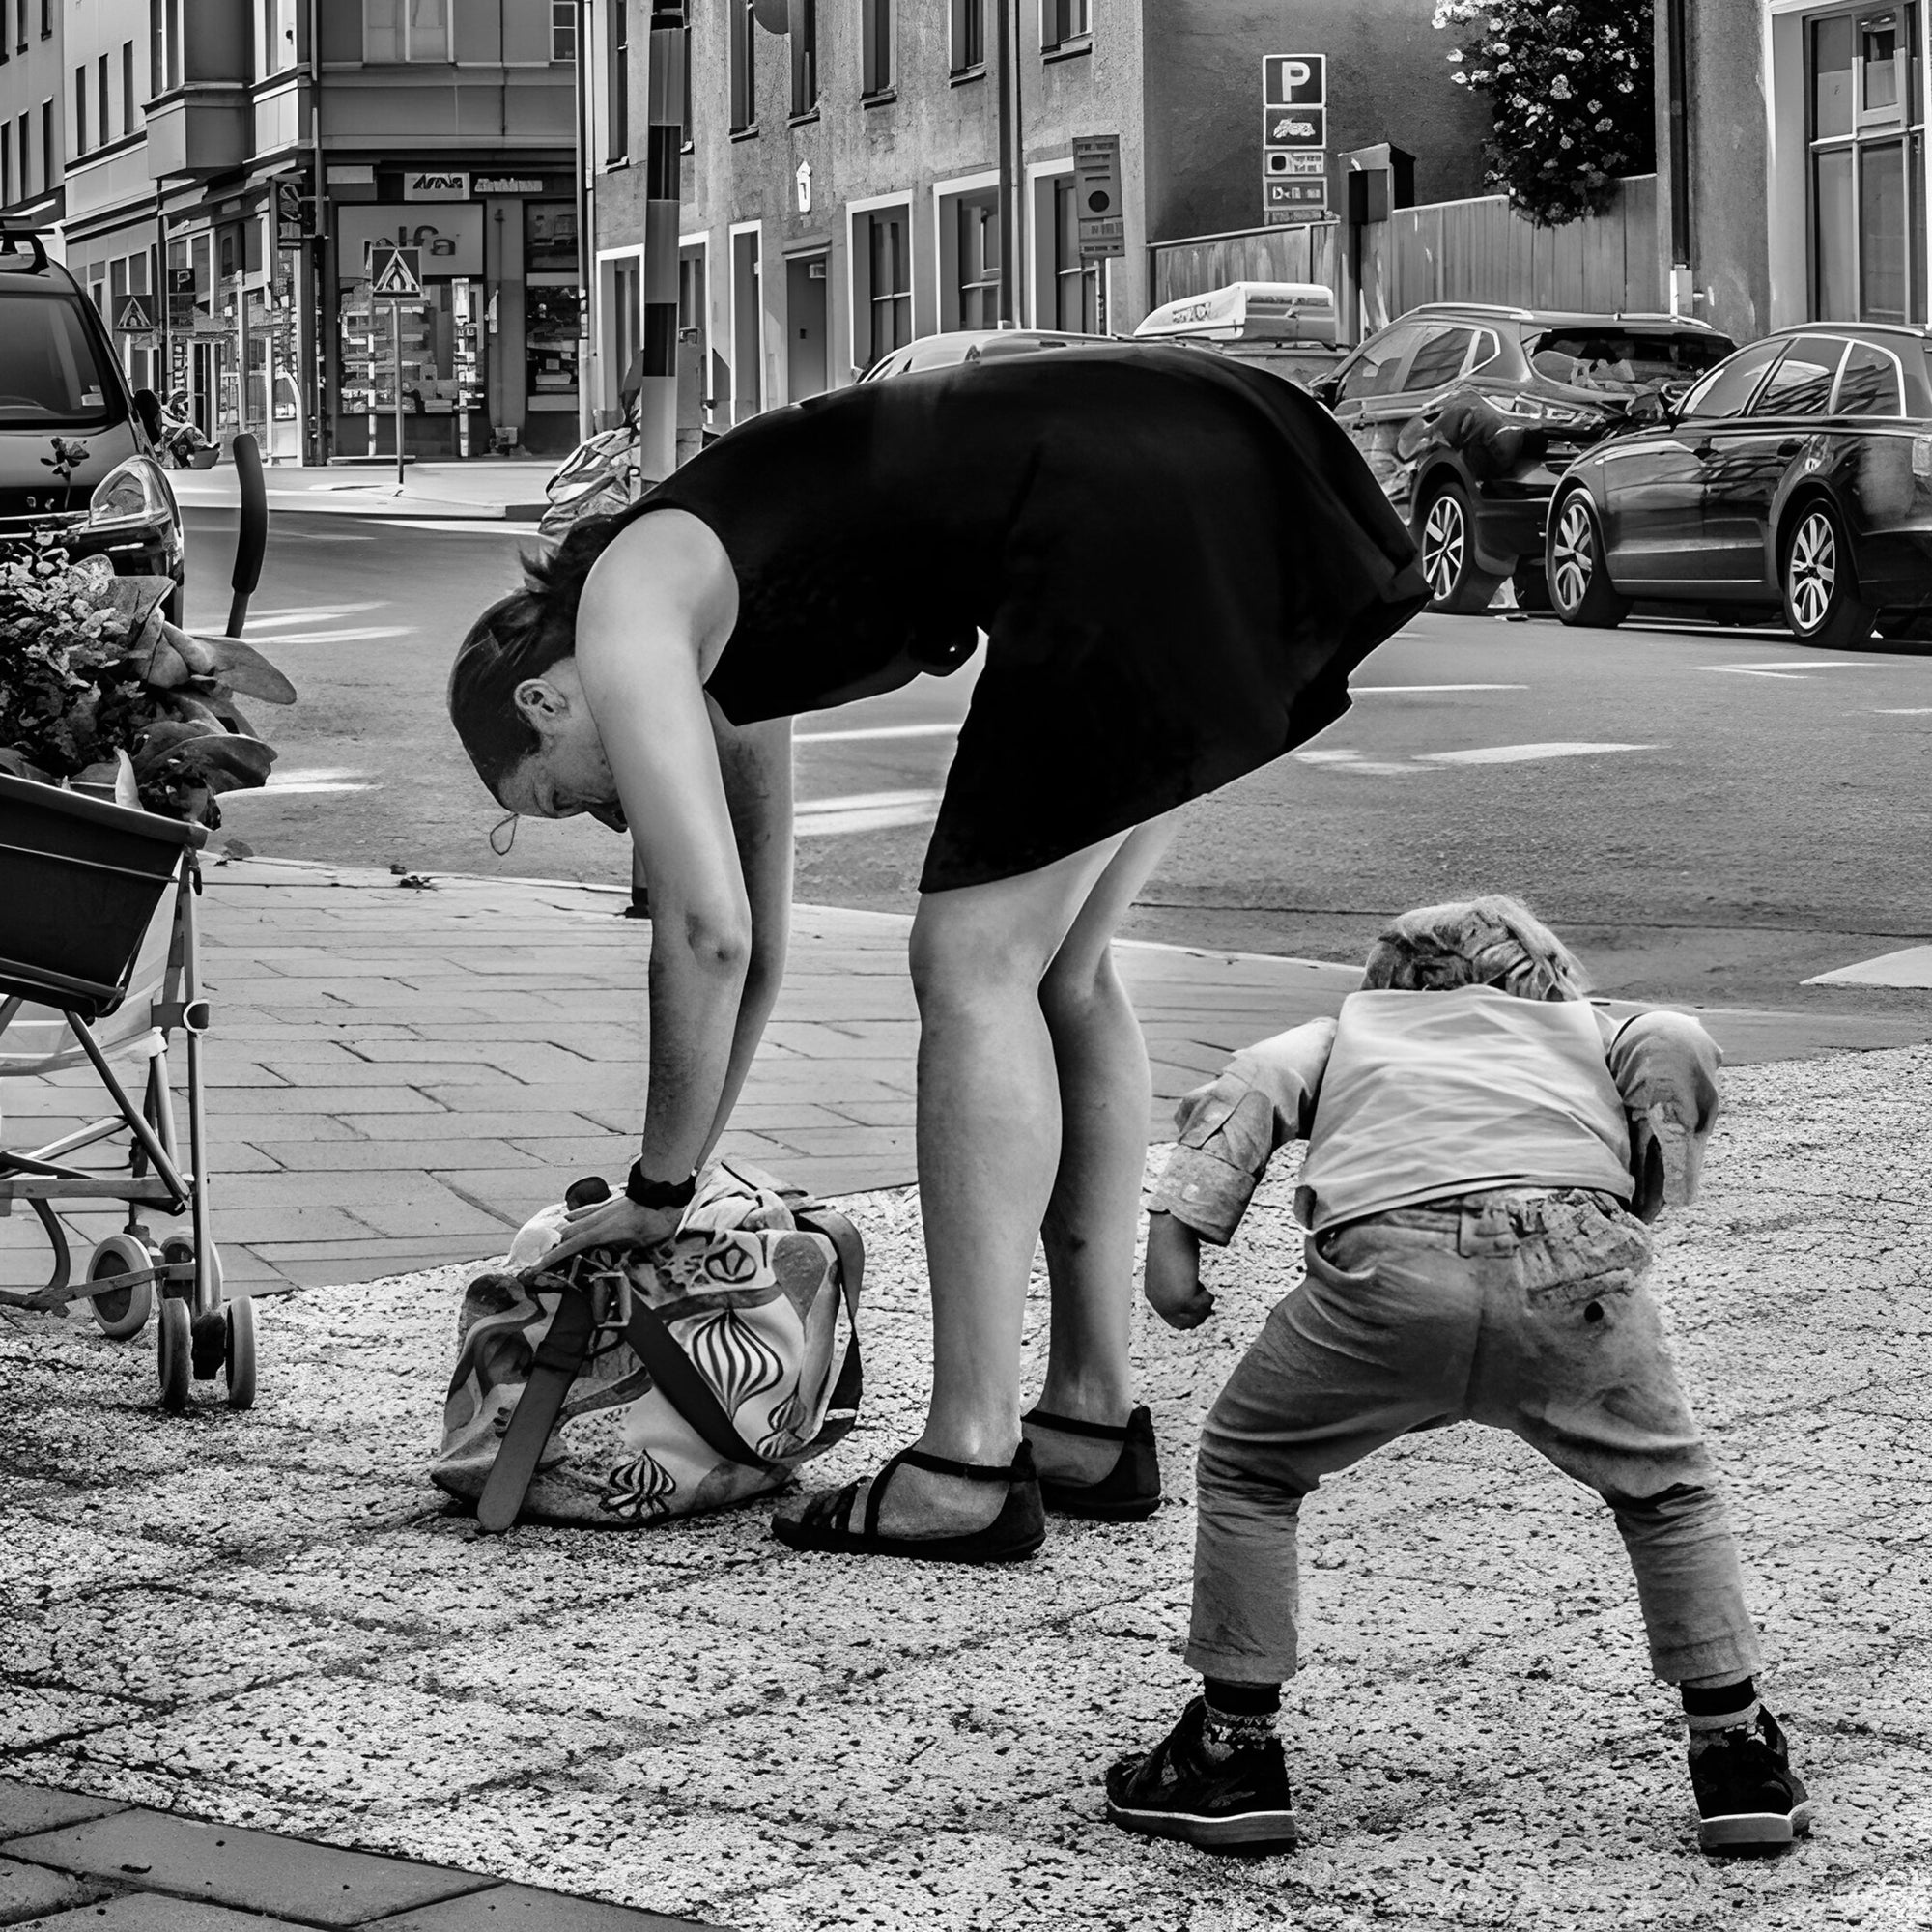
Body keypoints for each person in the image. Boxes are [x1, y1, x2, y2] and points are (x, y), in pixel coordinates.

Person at [446, 342, 1428, 1564]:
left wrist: (652, 1194)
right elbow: (753, 940)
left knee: (967, 965)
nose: (606, 821)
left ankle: (965, 1457)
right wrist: (683, 1174)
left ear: (543, 703)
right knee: (1060, 968)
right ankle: (1087, 1412)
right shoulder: (711, 620)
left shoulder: (626, 609)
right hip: (1205, 458)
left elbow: (702, 931)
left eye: (556, 801)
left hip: (1134, 501)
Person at [1104, 895, 1809, 1854]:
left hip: (1389, 1273)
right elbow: (1675, 1037)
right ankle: (1734, 1750)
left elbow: (1253, 1082)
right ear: (1548, 978)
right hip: (1574, 1265)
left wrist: (1177, 1232)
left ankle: (1231, 1747)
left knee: (1247, 1464)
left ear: (1386, 980)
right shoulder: (1590, 1030)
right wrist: (1652, 1174)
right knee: (1667, 1488)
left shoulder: (1348, 1029)